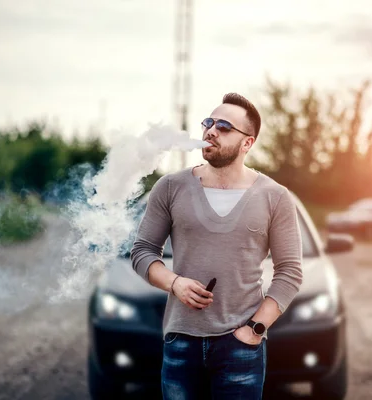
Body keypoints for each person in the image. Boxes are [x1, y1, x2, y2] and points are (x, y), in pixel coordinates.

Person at [130, 92, 303, 399]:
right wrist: (175, 283)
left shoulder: (275, 197)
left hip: (242, 348)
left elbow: (289, 273)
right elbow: (142, 252)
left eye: (223, 126)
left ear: (247, 143)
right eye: (208, 122)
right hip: (180, 341)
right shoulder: (169, 188)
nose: (211, 130)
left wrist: (254, 331)